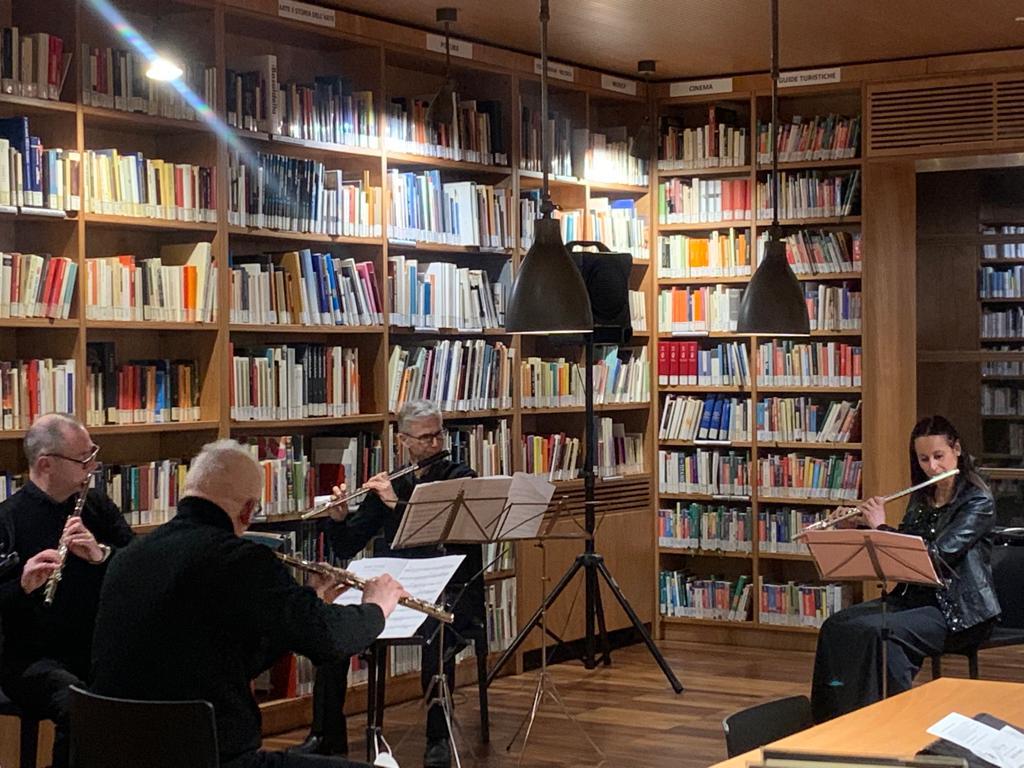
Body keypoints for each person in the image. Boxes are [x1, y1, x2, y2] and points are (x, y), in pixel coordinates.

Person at [90, 439, 408, 768]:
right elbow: (330, 640)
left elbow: (223, 660)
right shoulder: (240, 559)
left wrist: (308, 600)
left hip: (118, 753)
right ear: (247, 510)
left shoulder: (127, 557)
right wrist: (375, 608)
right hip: (210, 756)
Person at [294, 400, 484, 768]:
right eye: (425, 438)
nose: (434, 444)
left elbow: (444, 538)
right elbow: (348, 545)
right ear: (403, 440)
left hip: (445, 587)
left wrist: (397, 504)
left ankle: (438, 737)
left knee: (436, 636)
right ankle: (326, 734)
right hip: (393, 589)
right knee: (333, 626)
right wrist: (337, 519)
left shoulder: (460, 477)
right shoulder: (392, 482)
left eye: (438, 435)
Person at [810, 415, 1001, 722]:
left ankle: (892, 719)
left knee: (883, 634)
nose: (932, 467)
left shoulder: (978, 500)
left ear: (957, 450)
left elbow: (938, 555)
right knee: (836, 626)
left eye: (939, 456)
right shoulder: (923, 497)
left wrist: (881, 527)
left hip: (959, 611)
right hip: (913, 599)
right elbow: (903, 547)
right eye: (924, 459)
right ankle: (835, 719)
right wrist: (860, 528)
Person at [0, 414, 133, 768]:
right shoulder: (8, 519)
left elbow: (138, 564)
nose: (93, 466)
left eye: (92, 455)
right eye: (83, 459)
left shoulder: (96, 506)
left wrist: (100, 554)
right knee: (80, 708)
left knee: (157, 689)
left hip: (95, 648)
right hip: (31, 660)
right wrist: (22, 585)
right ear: (46, 464)